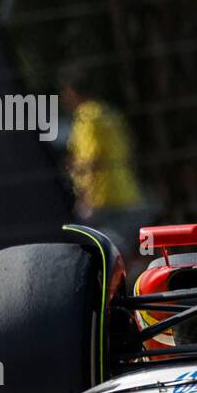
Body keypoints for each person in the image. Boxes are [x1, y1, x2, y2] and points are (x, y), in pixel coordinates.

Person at [59, 62, 153, 260]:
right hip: (127, 192)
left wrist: (86, 197)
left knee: (101, 251)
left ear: (72, 92)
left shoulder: (87, 118)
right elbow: (128, 151)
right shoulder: (110, 114)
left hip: (104, 199)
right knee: (123, 247)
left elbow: (92, 161)